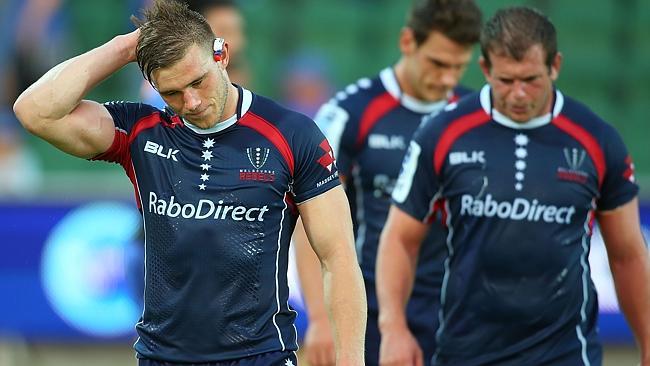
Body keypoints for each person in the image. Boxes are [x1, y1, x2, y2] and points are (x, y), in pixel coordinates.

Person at [13, 0, 367, 364]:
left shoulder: (292, 135)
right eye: (173, 93)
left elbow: (337, 256)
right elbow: (34, 111)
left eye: (198, 82)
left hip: (262, 356)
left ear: (222, 55)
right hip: (162, 357)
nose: (192, 101)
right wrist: (125, 47)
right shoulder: (141, 130)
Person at [377, 6, 650, 366]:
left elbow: (627, 254)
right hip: (466, 351)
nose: (519, 94)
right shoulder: (442, 135)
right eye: (506, 81)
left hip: (566, 352)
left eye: (531, 79)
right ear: (485, 69)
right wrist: (393, 328)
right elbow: (399, 238)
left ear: (555, 66)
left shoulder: (597, 141)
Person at [292, 1, 482, 365]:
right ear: (407, 41)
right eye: (438, 63)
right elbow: (310, 222)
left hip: (458, 312)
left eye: (458, 67)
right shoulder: (351, 113)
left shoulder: (472, 114)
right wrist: (319, 319)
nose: (447, 79)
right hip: (371, 312)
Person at [140, 0, 250, 108]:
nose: (238, 43)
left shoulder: (239, 85)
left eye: (239, 32)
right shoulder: (162, 103)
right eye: (224, 31)